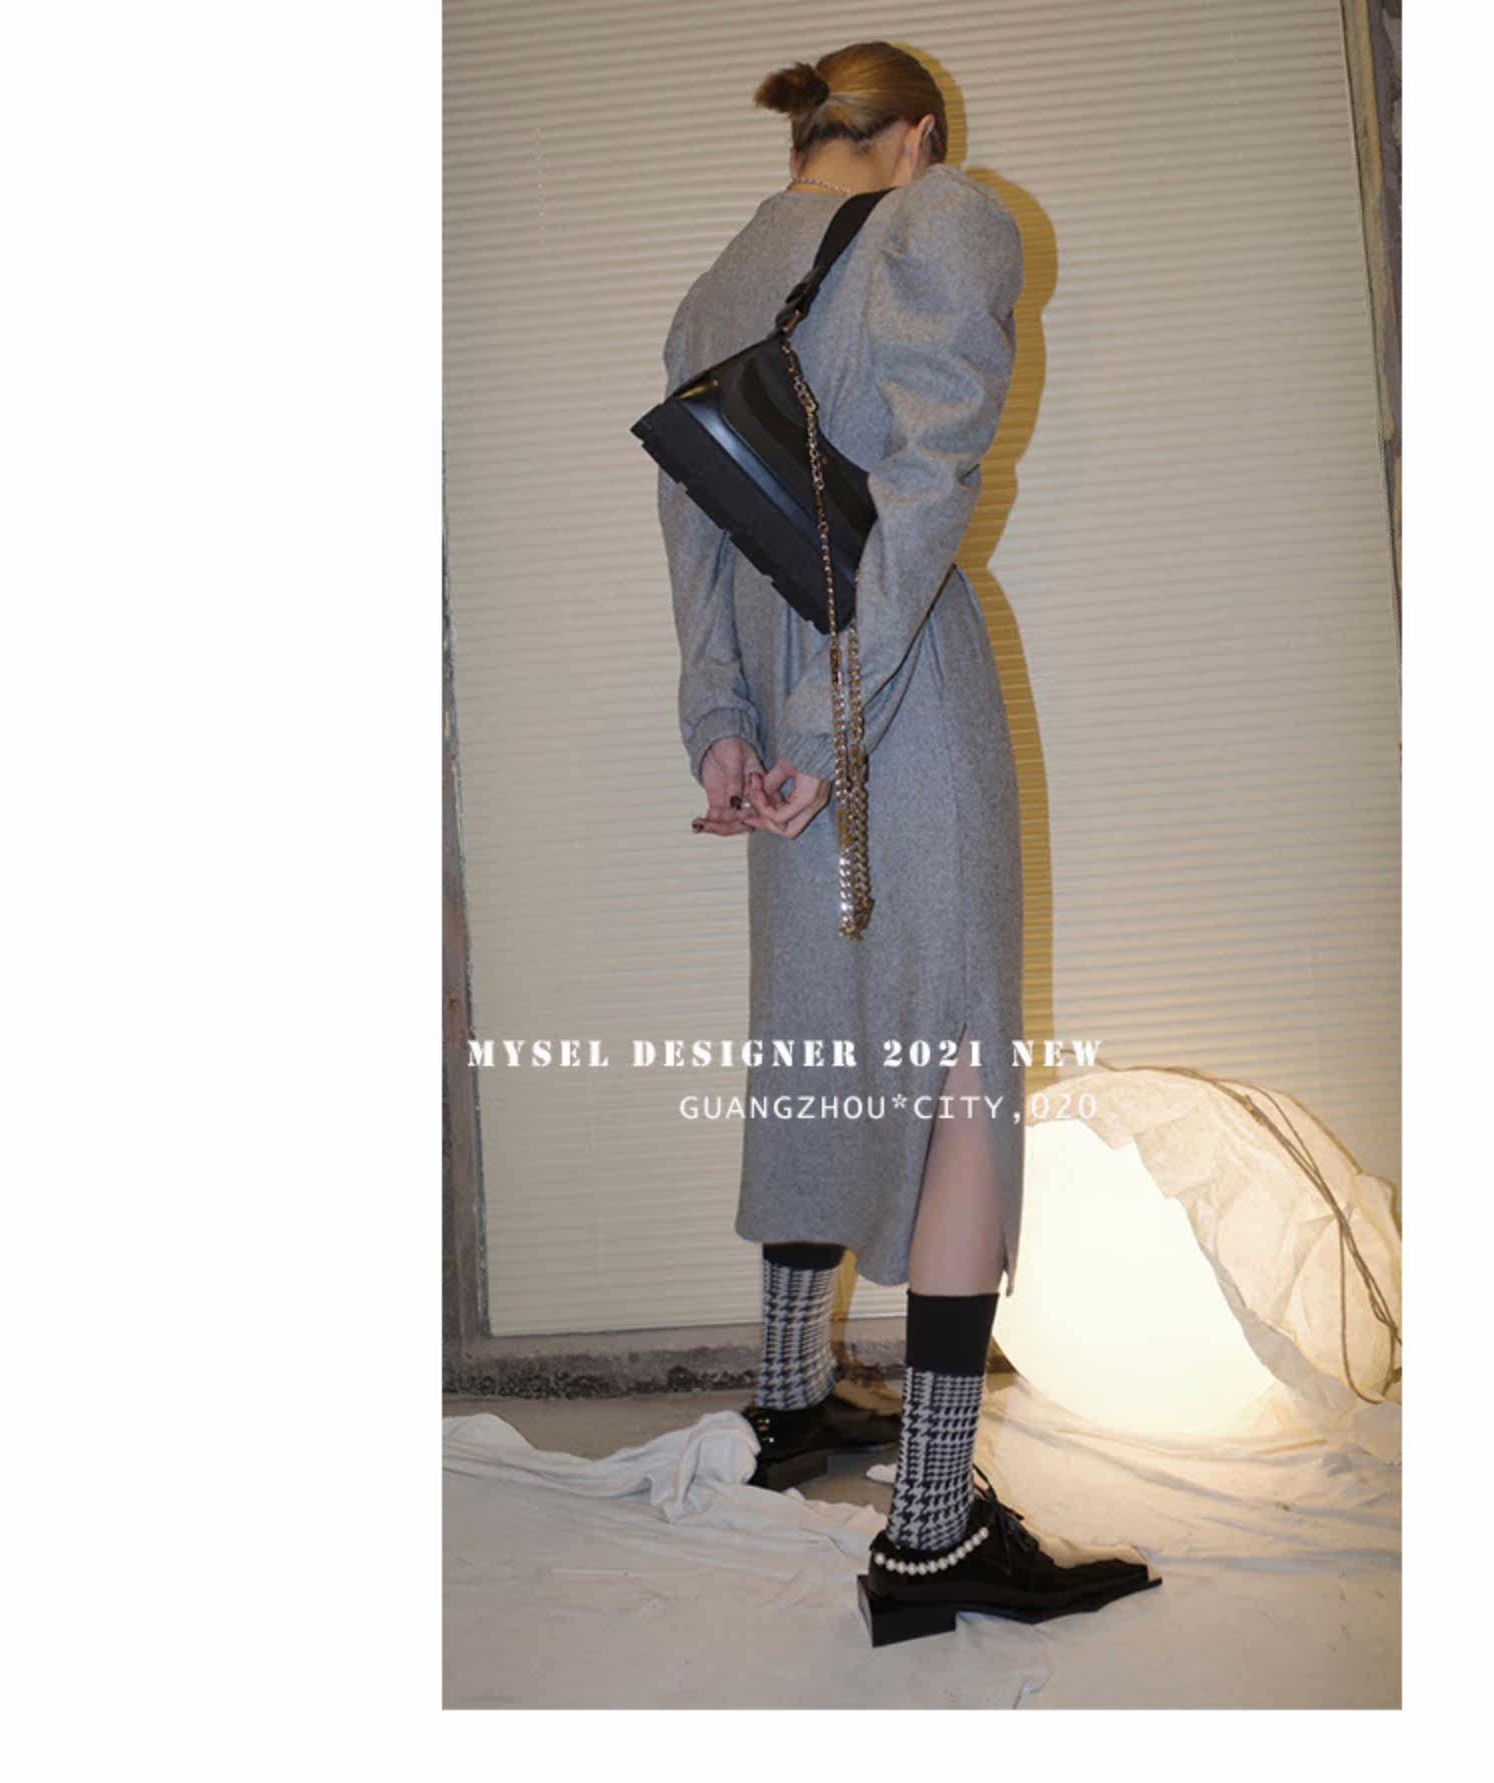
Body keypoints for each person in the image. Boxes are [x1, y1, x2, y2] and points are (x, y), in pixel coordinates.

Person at [656, 41, 1157, 1635]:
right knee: (953, 1074)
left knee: (819, 1037)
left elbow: (695, 545)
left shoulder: (712, 291)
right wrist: (835, 727)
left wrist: (728, 728)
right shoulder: (942, 219)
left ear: (805, 137)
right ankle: (932, 1528)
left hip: (779, 710)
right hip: (892, 693)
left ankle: (791, 1400)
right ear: (917, 136)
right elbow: (929, 489)